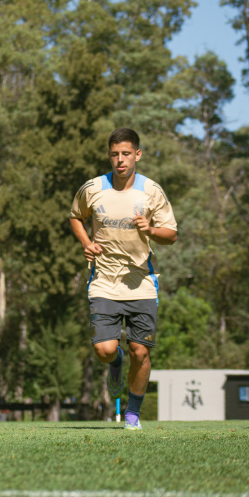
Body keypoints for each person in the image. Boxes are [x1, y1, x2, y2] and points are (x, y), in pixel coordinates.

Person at [69, 128, 178, 431]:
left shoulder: (151, 191)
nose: (120, 160)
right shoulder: (93, 188)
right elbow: (76, 216)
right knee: (104, 350)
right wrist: (85, 242)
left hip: (141, 282)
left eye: (126, 154)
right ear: (110, 156)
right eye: (115, 154)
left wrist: (151, 230)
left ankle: (133, 413)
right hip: (104, 280)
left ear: (137, 155)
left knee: (140, 351)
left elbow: (172, 234)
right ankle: (115, 363)